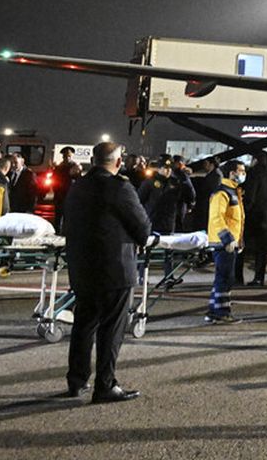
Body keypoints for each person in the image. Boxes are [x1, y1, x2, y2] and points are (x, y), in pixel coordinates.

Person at [62, 142, 152, 403]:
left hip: (82, 266)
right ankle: (106, 385)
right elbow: (143, 229)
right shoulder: (119, 186)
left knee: (83, 324)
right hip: (114, 268)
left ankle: (76, 380)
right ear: (118, 162)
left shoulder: (78, 187)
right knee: (111, 327)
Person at [138, 159, 196, 282]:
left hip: (168, 221)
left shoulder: (176, 183)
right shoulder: (149, 183)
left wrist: (185, 178)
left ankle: (168, 276)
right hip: (151, 221)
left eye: (170, 168)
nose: (168, 171)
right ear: (159, 169)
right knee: (147, 251)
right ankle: (142, 276)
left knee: (168, 251)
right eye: (165, 168)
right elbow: (140, 200)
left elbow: (190, 196)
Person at [205, 160, 247, 324]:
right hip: (223, 243)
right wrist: (228, 239)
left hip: (230, 242)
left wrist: (239, 240)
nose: (243, 174)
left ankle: (214, 310)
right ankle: (221, 312)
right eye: (241, 171)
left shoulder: (233, 191)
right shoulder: (223, 192)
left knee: (222, 277)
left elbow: (237, 220)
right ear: (231, 173)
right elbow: (217, 217)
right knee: (225, 278)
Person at [238, 156, 267, 285]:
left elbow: (250, 196)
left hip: (253, 215)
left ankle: (238, 277)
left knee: (241, 246)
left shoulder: (254, 174)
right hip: (266, 213)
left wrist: (244, 209)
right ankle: (259, 277)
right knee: (261, 249)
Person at [52, 146, 82, 229]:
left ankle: (66, 230)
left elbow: (78, 180)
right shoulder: (58, 167)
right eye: (65, 156)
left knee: (69, 214)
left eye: (69, 156)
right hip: (59, 194)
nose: (67, 158)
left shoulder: (75, 166)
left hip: (70, 194)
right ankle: (57, 229)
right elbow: (54, 180)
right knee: (58, 214)